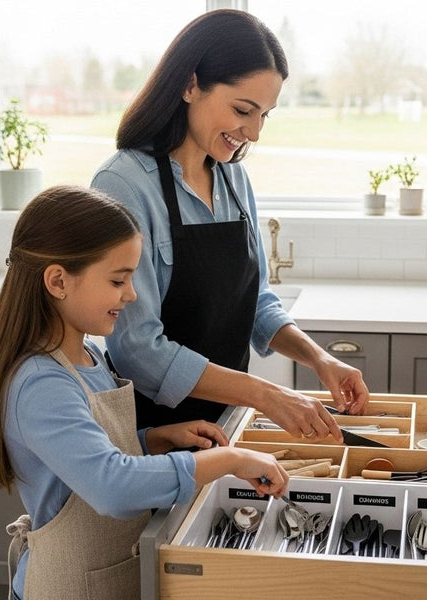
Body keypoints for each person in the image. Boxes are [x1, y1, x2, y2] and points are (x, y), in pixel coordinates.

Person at [0, 185, 289, 600]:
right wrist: (228, 459)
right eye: (118, 279)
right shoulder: (41, 383)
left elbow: (90, 457)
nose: (132, 293)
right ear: (58, 281)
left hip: (109, 576)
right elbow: (112, 486)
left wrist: (155, 440)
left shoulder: (86, 355)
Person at [91, 9, 369, 442]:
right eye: (243, 109)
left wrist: (318, 359)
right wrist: (267, 394)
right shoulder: (123, 185)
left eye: (265, 115)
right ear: (190, 84)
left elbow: (254, 299)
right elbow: (136, 350)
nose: (254, 132)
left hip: (227, 425)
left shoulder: (232, 177)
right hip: (161, 435)